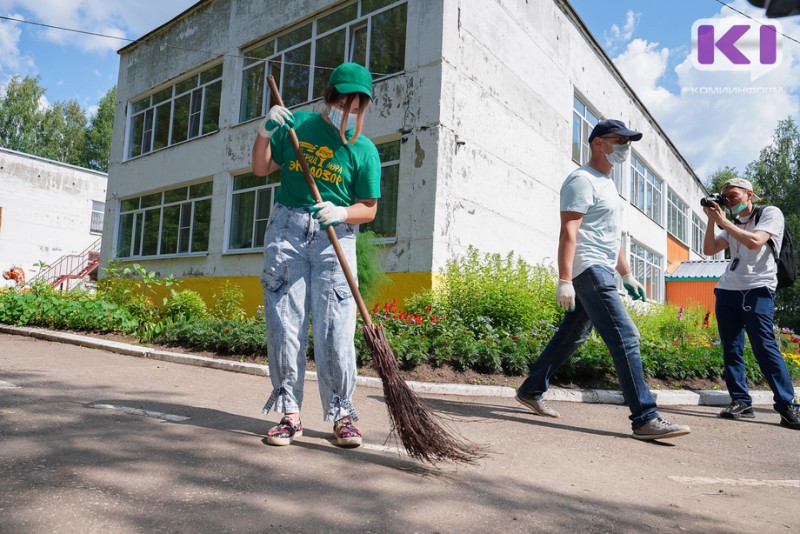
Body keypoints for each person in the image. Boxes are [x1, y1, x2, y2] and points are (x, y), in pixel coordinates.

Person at [516, 119, 691, 441]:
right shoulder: (581, 180)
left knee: (572, 336)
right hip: (589, 269)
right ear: (599, 143)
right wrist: (564, 279)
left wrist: (627, 273)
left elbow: (611, 236)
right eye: (619, 141)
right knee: (626, 337)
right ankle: (645, 418)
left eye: (627, 142)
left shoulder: (607, 183)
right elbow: (569, 231)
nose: (625, 148)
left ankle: (530, 389)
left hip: (603, 268)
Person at [251, 62, 382, 447]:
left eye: (357, 108)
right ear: (329, 99)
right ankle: (290, 414)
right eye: (343, 103)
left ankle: (342, 415)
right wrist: (264, 131)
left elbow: (369, 208)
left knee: (336, 330)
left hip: (336, 237)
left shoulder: (364, 150)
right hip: (287, 232)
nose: (348, 113)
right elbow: (260, 167)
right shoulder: (300, 127)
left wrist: (342, 213)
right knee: (284, 325)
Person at [703, 178, 800, 430]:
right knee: (731, 348)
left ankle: (787, 405)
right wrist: (712, 220)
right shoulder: (732, 224)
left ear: (749, 194)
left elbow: (755, 241)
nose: (729, 201)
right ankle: (741, 401)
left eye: (733, 195)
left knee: (764, 346)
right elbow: (710, 249)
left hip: (759, 288)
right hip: (727, 290)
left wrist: (723, 221)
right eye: (725, 197)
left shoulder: (769, 214)